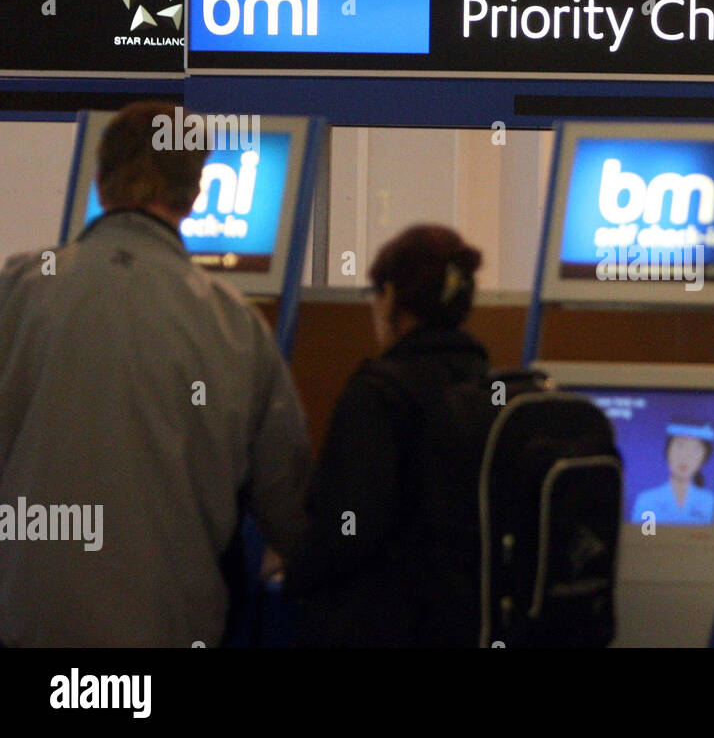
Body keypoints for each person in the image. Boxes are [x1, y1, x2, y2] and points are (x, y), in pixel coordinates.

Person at [0, 102, 311, 647]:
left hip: (26, 616)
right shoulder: (234, 322)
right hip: (168, 623)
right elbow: (286, 498)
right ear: (194, 195)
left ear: (99, 181)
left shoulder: (19, 289)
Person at [285, 225, 497, 647]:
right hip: (467, 624)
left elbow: (350, 528)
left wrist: (298, 569)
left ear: (391, 297)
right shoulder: (490, 392)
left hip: (385, 625)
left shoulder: (380, 394)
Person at [632, 420, 714, 525]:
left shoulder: (711, 503)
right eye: (680, 446)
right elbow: (646, 535)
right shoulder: (647, 500)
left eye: (695, 449)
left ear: (703, 459)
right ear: (667, 452)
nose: (685, 456)